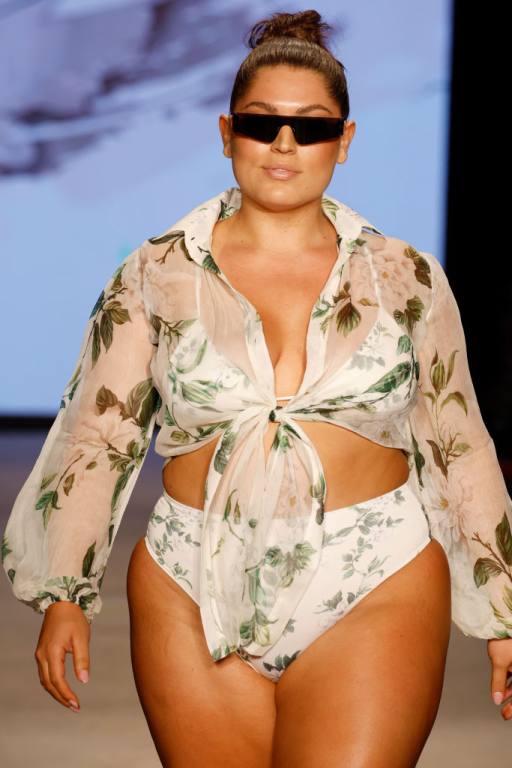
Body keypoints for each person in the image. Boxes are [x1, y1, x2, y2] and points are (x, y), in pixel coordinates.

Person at [2, 8, 512, 767]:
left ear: (344, 141)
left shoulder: (406, 278)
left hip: (374, 575)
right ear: (225, 131)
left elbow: (456, 437)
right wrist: (63, 592)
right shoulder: (156, 272)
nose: (283, 144)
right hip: (189, 576)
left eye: (310, 128)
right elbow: (97, 433)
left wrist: (501, 612)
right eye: (260, 123)